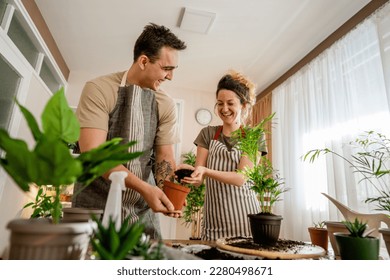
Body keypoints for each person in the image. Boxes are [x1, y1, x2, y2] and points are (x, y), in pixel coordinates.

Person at [72, 23, 187, 239]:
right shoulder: (100, 89)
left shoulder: (166, 104)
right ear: (143, 61)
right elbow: (94, 155)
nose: (170, 77)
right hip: (95, 205)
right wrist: (145, 188)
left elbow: (165, 156)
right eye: (166, 69)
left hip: (141, 211)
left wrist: (170, 191)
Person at [179, 70, 267, 241]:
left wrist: (204, 171)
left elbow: (240, 178)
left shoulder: (253, 136)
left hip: (244, 220)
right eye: (220, 103)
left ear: (243, 105)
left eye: (230, 103)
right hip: (214, 223)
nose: (224, 109)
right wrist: (188, 173)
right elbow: (199, 179)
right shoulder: (207, 134)